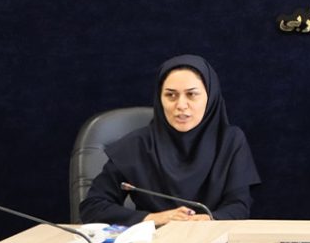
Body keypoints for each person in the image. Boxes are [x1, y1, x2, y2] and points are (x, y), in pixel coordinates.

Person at [79, 55, 260, 226]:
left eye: (192, 94)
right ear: (160, 98)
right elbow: (92, 207)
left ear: (210, 97)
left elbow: (239, 206)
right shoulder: (136, 145)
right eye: (171, 95)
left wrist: (208, 220)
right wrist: (154, 218)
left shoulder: (230, 141)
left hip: (213, 241)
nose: (181, 105)